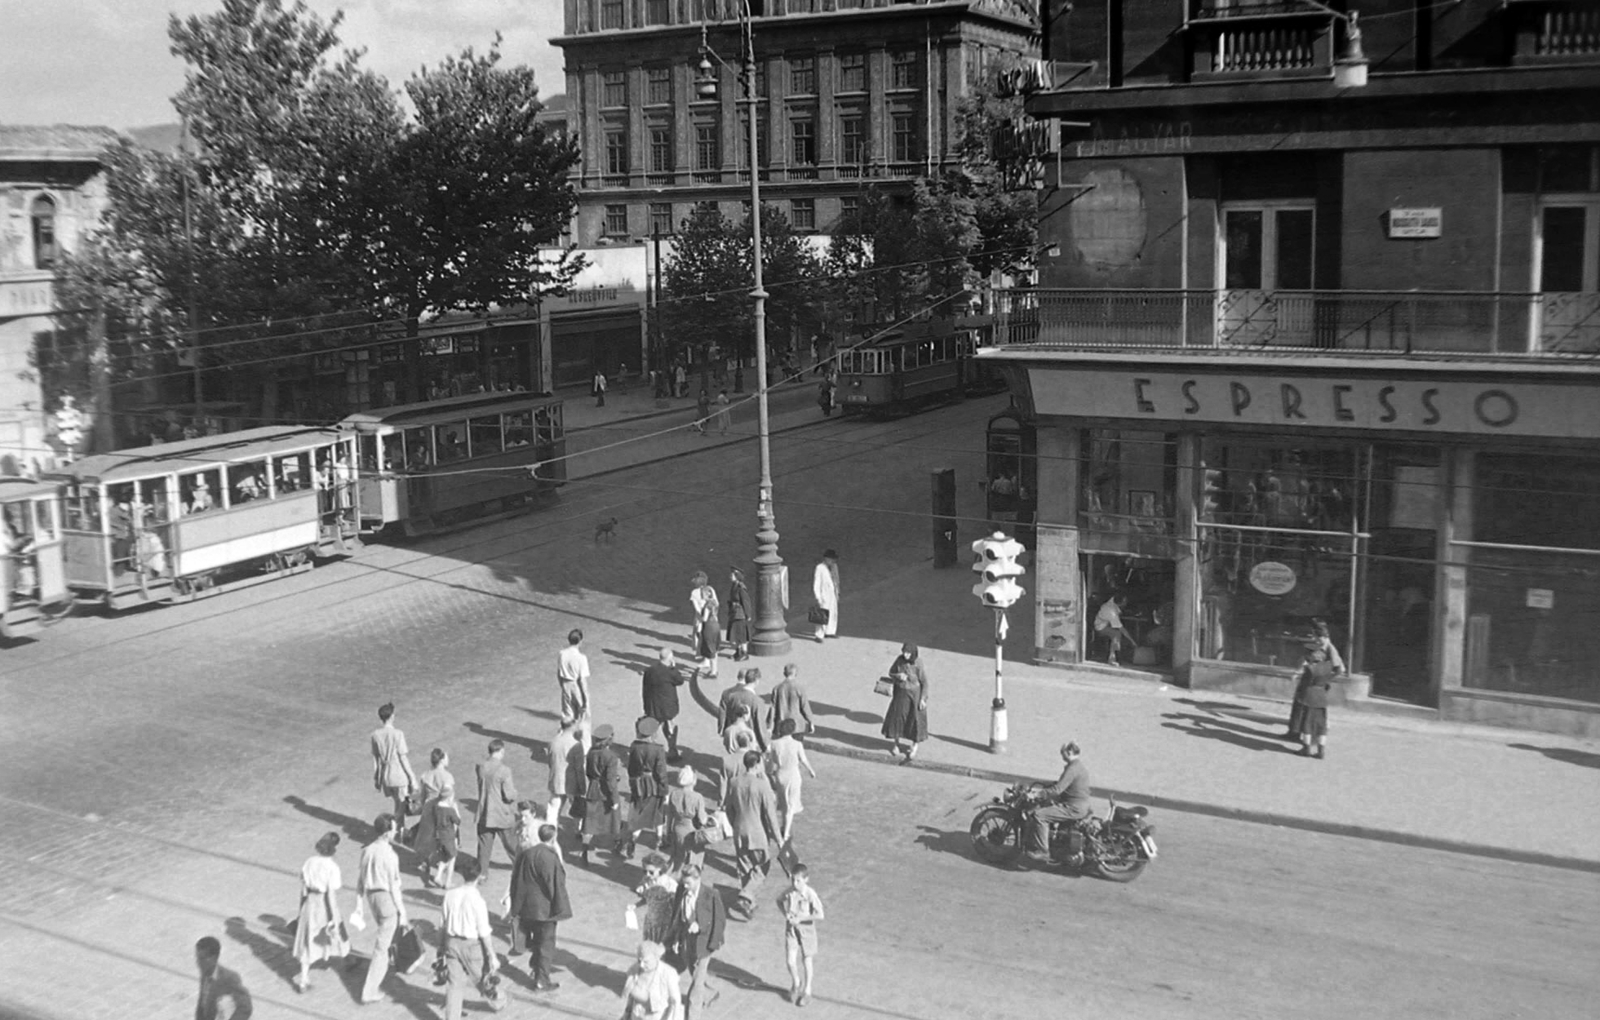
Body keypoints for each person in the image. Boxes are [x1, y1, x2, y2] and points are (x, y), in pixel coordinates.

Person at [510, 823, 571, 993]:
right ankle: (541, 980)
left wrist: (516, 907)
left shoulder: (528, 854)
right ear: (553, 837)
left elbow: (518, 879)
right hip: (546, 910)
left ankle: (536, 970)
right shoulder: (550, 857)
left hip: (528, 907)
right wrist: (560, 907)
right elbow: (555, 884)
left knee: (536, 942)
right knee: (546, 946)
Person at [438, 856, 498, 1020]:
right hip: (471, 945)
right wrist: (491, 955)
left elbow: (442, 924)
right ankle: (500, 1001)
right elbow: (484, 931)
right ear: (479, 876)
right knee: (483, 978)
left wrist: (440, 947)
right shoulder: (477, 900)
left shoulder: (450, 895)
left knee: (454, 984)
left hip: (451, 942)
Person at [724, 748, 781, 919]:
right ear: (757, 764)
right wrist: (779, 838)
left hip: (739, 829)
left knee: (744, 866)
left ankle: (750, 903)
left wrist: (735, 824)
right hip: (757, 832)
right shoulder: (762, 785)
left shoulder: (734, 782)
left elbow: (728, 809)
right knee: (763, 865)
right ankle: (746, 894)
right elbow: (771, 816)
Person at [357, 813, 407, 1004]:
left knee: (385, 936)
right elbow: (394, 886)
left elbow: (361, 878)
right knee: (381, 946)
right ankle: (370, 990)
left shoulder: (367, 850)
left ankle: (390, 962)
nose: (395, 832)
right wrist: (402, 911)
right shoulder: (390, 855)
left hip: (372, 897)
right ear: (387, 833)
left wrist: (359, 903)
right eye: (394, 829)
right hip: (386, 899)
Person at [291, 832, 348, 993]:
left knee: (308, 940)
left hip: (310, 902)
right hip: (324, 903)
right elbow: (330, 894)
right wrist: (333, 916)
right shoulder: (332, 867)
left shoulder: (309, 862)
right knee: (336, 931)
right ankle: (347, 958)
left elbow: (303, 888)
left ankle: (303, 979)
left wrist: (301, 909)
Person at [670, 863, 726, 1020]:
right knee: (694, 972)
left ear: (698, 879)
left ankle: (692, 1016)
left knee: (696, 983)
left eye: (688, 883)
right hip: (687, 938)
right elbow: (678, 916)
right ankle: (710, 994)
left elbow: (719, 920)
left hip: (704, 942)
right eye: (683, 883)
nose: (685, 886)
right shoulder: (681, 891)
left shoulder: (711, 894)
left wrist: (705, 933)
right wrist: (676, 938)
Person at [1025, 742, 1092, 864]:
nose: (1062, 755)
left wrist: (1037, 794)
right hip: (1080, 804)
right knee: (1049, 806)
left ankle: (1043, 851)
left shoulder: (1072, 768)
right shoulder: (1078, 766)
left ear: (1069, 752)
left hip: (1073, 807)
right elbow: (1062, 785)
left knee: (1040, 816)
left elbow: (1057, 790)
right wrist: (1047, 787)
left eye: (1063, 752)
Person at [625, 717, 672, 858]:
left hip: (639, 783)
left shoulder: (634, 746)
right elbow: (661, 772)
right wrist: (664, 789)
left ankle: (632, 839)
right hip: (654, 785)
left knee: (640, 814)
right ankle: (659, 840)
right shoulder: (658, 749)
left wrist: (634, 783)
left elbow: (631, 768)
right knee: (658, 814)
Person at [580, 723, 627, 866]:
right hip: (606, 793)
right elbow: (610, 780)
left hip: (593, 790)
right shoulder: (611, 757)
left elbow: (588, 772)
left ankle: (584, 851)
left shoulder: (590, 753)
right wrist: (614, 799)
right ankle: (618, 844)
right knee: (615, 819)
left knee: (589, 823)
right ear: (609, 739)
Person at [779, 864, 825, 1006]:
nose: (795, 883)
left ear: (806, 879)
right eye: (793, 880)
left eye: (798, 881)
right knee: (790, 961)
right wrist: (785, 913)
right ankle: (796, 982)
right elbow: (779, 900)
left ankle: (807, 990)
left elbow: (820, 914)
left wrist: (801, 919)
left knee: (806, 960)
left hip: (806, 930)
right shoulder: (790, 892)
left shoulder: (810, 894)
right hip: (791, 929)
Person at [475, 739, 520, 876]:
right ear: (500, 751)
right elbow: (509, 795)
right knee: (511, 844)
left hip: (484, 812)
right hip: (502, 814)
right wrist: (515, 794)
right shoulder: (504, 770)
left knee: (484, 846)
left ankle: (482, 873)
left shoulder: (480, 767)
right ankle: (521, 866)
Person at [768, 719, 816, 846]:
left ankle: (784, 827)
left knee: (784, 803)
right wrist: (811, 770)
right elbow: (803, 759)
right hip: (793, 775)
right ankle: (786, 832)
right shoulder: (797, 744)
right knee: (790, 805)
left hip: (780, 774)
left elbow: (768, 758)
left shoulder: (774, 743)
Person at [370, 702, 417, 827]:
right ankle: (396, 831)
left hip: (386, 776)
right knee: (401, 807)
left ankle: (397, 830)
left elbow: (376, 759)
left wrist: (377, 779)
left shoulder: (375, 735)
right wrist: (412, 777)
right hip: (399, 775)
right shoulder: (398, 734)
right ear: (391, 717)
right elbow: (403, 758)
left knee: (397, 804)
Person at [881, 642, 929, 764]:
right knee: (898, 718)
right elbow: (891, 672)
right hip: (901, 694)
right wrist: (898, 676)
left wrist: (923, 699)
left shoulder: (918, 663)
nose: (906, 655)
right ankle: (896, 743)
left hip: (915, 695)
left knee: (915, 720)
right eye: (904, 652)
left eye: (908, 653)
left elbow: (924, 682)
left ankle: (915, 745)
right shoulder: (899, 660)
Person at [415, 748, 456, 886]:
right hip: (443, 812)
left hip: (428, 810)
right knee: (451, 844)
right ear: (442, 760)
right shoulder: (447, 777)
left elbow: (421, 798)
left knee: (429, 840)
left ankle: (426, 863)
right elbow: (449, 797)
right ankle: (447, 879)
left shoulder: (425, 775)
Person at [641, 648, 687, 759]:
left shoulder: (649, 670)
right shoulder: (670, 672)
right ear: (670, 658)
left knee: (652, 730)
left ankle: (649, 754)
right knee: (670, 728)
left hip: (652, 706)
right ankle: (672, 751)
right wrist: (674, 668)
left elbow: (644, 689)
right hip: (667, 707)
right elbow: (680, 680)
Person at [619, 939, 683, 1020]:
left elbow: (676, 1001)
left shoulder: (668, 973)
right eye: (639, 961)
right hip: (636, 1015)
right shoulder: (635, 969)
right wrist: (627, 1013)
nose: (641, 965)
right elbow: (630, 997)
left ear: (656, 958)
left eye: (646, 962)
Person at [194, 935, 253, 1020]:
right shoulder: (205, 975)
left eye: (201, 958)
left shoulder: (229, 978)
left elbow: (245, 1008)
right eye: (197, 958)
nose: (198, 962)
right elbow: (202, 1003)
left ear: (213, 958)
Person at [664, 767, 711, 873]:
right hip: (692, 832)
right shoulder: (697, 797)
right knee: (693, 863)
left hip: (677, 829)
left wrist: (668, 832)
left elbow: (670, 815)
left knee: (677, 860)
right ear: (693, 781)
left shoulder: (674, 794)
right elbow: (702, 820)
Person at [557, 628, 594, 752]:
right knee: (584, 719)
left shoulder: (562, 653)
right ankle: (585, 748)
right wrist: (585, 699)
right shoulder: (581, 658)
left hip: (566, 684)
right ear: (580, 641)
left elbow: (559, 673)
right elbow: (582, 680)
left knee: (568, 716)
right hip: (576, 686)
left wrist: (562, 686)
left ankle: (565, 743)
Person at [632, 853, 680, 945]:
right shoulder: (648, 879)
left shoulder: (669, 884)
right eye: (644, 871)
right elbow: (647, 895)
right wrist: (641, 891)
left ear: (660, 869)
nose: (647, 874)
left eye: (651, 872)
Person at [1297, 647, 1336, 759]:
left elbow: (1304, 672)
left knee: (1307, 723)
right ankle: (1321, 751)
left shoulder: (1310, 668)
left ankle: (1306, 749)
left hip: (1309, 696)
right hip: (1322, 697)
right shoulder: (1328, 667)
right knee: (1321, 725)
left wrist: (1304, 665)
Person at [545, 716, 583, 826]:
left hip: (556, 779)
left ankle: (549, 832)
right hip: (571, 782)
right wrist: (581, 785)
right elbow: (579, 767)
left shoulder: (553, 742)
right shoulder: (576, 745)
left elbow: (550, 762)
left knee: (553, 808)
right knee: (577, 807)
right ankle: (578, 829)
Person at [717, 667, 767, 751]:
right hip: (749, 736)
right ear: (756, 681)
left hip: (732, 733)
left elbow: (723, 713)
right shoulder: (758, 701)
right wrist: (765, 745)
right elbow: (760, 724)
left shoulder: (730, 696)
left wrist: (722, 729)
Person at [766, 663, 815, 737]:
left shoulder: (777, 688)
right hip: (797, 726)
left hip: (781, 725)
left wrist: (769, 725)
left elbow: (772, 708)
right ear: (796, 673)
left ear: (784, 673)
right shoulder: (799, 688)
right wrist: (810, 721)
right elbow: (805, 707)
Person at [689, 572, 721, 676]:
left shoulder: (694, 593)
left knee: (703, 640)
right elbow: (717, 603)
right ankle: (710, 663)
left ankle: (708, 662)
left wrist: (702, 615)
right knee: (713, 644)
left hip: (704, 621)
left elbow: (697, 609)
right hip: (714, 620)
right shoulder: (711, 590)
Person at [1093, 593, 1136, 666]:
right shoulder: (1111, 612)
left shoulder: (1113, 602)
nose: (1126, 603)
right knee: (1116, 634)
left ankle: (1117, 653)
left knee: (1117, 634)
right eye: (1124, 602)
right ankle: (1112, 658)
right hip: (1100, 627)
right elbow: (1122, 629)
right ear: (1120, 603)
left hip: (1107, 624)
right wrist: (1132, 641)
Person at [810, 550, 840, 642]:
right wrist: (818, 597)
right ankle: (819, 635)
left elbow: (836, 580)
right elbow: (817, 583)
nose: (833, 561)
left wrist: (837, 592)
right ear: (826, 559)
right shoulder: (820, 568)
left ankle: (830, 631)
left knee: (833, 612)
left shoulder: (834, 567)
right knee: (821, 614)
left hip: (832, 594)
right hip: (824, 594)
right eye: (831, 559)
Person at [725, 567, 753, 662]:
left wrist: (748, 614)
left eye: (732, 574)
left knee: (741, 634)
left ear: (737, 576)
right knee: (735, 634)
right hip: (734, 613)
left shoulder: (741, 588)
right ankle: (738, 652)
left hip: (740, 614)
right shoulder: (734, 586)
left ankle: (744, 653)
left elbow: (746, 602)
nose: (730, 576)